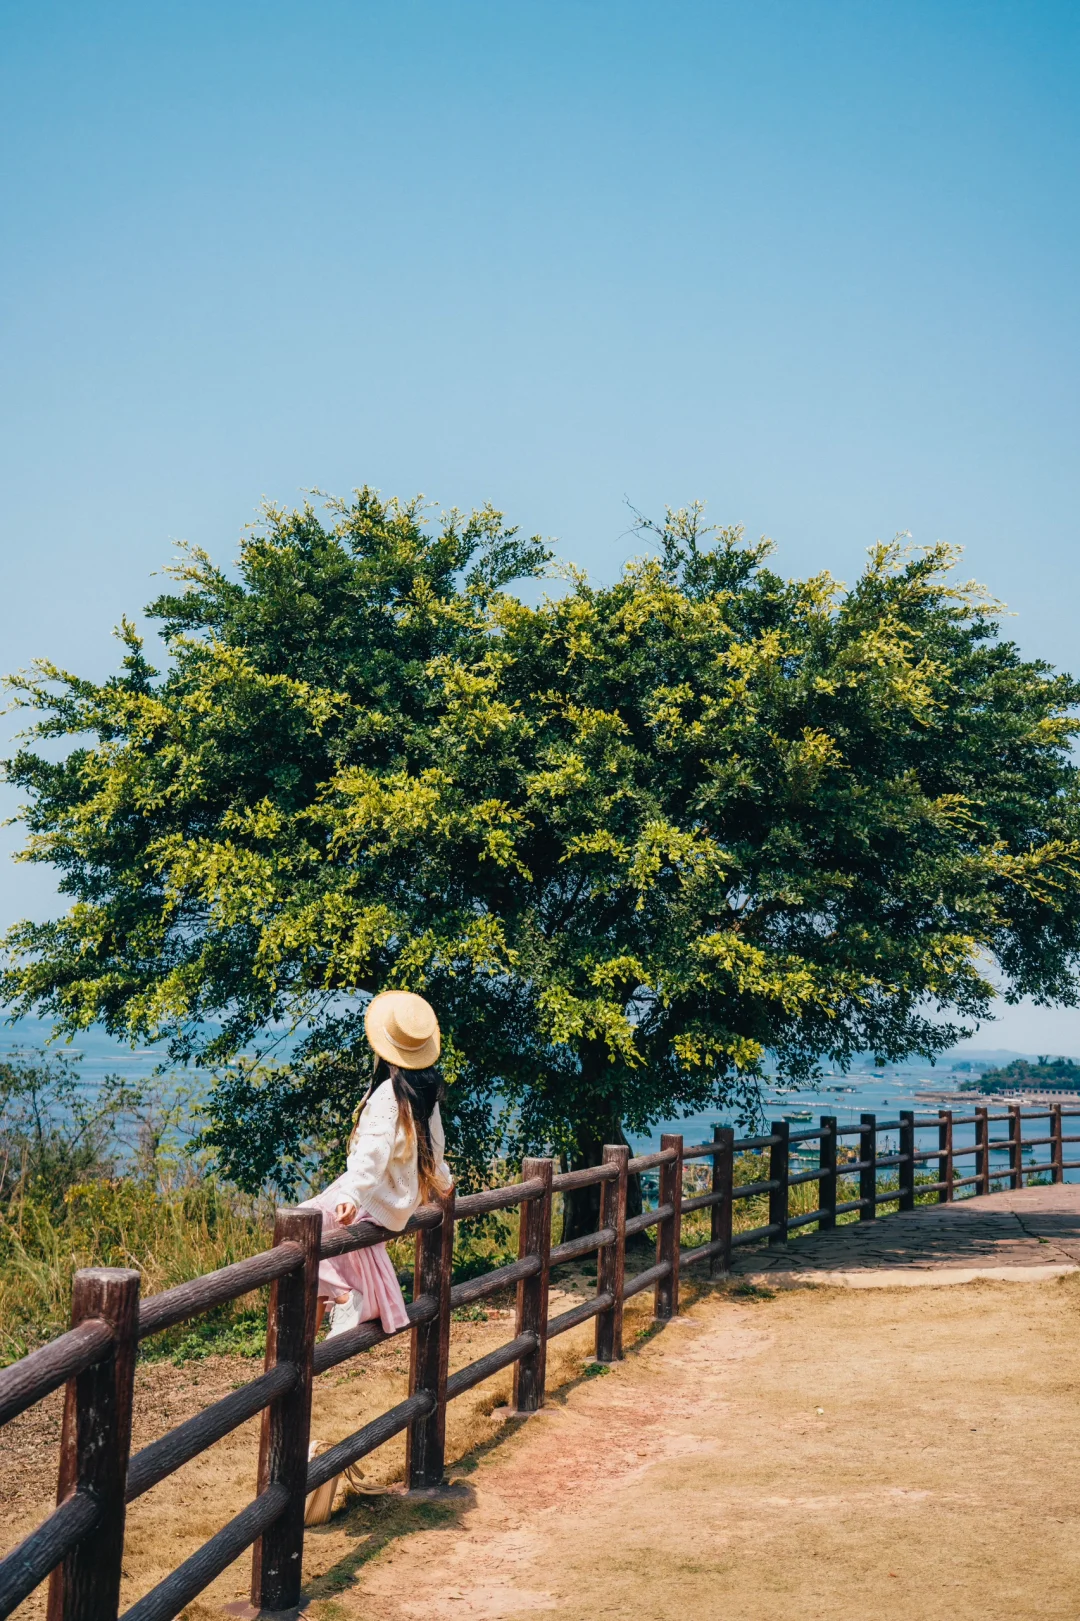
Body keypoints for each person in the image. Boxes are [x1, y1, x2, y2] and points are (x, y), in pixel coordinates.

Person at [300, 990, 452, 1338]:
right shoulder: (422, 1092)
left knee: (301, 1231)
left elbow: (372, 1151)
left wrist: (351, 1195)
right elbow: (434, 1146)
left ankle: (343, 1297)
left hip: (373, 1195)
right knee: (315, 1227)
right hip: (397, 1201)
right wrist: (442, 1179)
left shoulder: (388, 1094)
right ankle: (338, 1302)